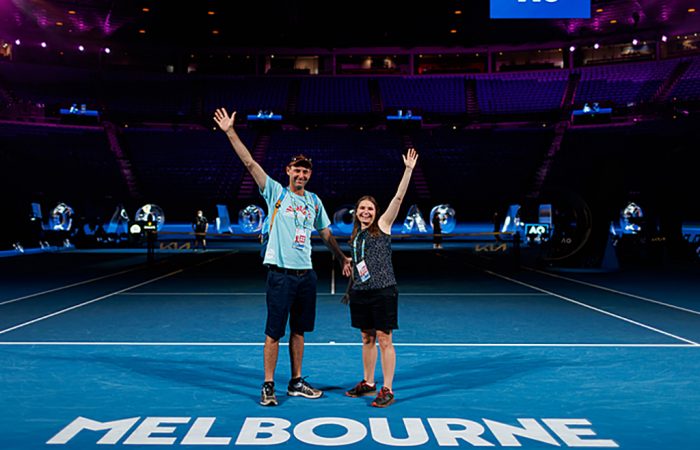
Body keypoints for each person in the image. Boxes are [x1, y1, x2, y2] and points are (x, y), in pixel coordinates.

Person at [213, 107, 351, 407]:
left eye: (305, 170)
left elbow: (326, 233)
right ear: (288, 171)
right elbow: (249, 163)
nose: (301, 174)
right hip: (281, 275)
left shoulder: (314, 201)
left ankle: (296, 381)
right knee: (274, 332)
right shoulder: (276, 192)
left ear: (309, 174)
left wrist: (341, 257)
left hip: (306, 275)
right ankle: (268, 384)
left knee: (299, 331)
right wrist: (230, 132)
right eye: (296, 169)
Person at [344, 147, 418, 408]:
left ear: (376, 212)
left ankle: (387, 388)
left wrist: (408, 170)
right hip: (361, 293)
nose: (366, 211)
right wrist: (351, 264)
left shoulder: (383, 226)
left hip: (383, 291)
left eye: (370, 208)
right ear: (356, 212)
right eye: (362, 208)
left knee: (385, 339)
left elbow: (398, 199)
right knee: (366, 338)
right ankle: (368, 382)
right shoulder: (355, 236)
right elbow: (361, 259)